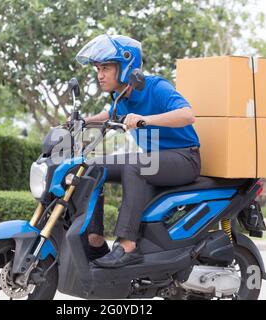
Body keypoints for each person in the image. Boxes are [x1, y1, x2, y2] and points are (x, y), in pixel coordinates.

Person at [75, 34, 201, 268]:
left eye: (105, 68)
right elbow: (111, 116)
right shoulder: (121, 97)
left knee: (135, 165)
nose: (99, 75)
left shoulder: (157, 87)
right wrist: (82, 121)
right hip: (154, 159)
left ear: (125, 67)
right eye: (97, 69)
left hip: (184, 157)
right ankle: (95, 240)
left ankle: (127, 246)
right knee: (94, 166)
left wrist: (145, 119)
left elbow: (187, 115)